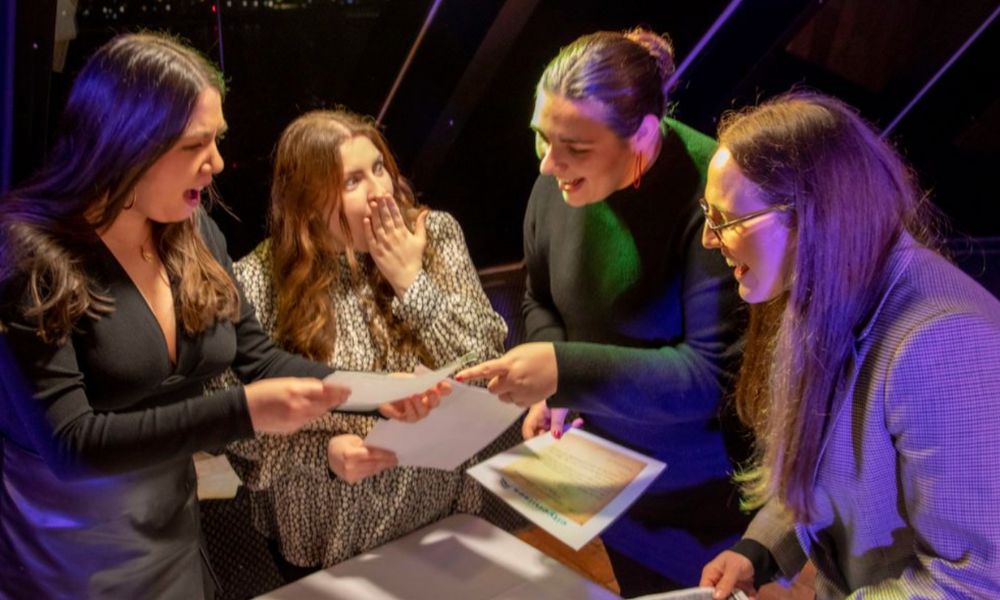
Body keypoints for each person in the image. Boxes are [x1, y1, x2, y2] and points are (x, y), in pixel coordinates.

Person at [0, 33, 442, 599]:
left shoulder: (195, 233)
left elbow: (258, 360)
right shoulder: (31, 255)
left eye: (218, 140)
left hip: (172, 532)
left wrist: (376, 389)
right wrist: (240, 413)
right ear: (126, 145)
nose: (217, 163)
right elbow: (72, 446)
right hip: (65, 555)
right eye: (195, 145)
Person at [457, 29, 749, 594]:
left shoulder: (711, 192)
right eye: (542, 139)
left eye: (574, 147)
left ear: (642, 135)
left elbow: (709, 377)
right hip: (600, 478)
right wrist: (556, 391)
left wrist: (566, 372)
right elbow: (539, 298)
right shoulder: (557, 181)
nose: (548, 165)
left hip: (697, 497)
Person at [697, 91, 1000, 599]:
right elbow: (816, 459)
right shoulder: (823, 285)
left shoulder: (942, 345)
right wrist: (760, 551)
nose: (710, 238)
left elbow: (969, 580)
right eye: (708, 213)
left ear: (808, 215)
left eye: (726, 219)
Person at [220, 109, 509, 571]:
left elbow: (489, 368)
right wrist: (323, 454)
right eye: (352, 181)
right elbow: (235, 429)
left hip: (436, 525)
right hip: (326, 549)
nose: (380, 192)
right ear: (308, 201)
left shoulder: (433, 237)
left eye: (379, 169)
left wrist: (412, 283)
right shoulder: (255, 281)